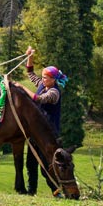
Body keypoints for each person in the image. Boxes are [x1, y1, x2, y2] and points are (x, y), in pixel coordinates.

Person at [22, 45, 66, 195]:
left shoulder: (54, 93)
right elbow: (30, 73)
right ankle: (31, 191)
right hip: (37, 131)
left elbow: (38, 99)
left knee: (45, 165)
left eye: (45, 77)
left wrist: (21, 88)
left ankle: (56, 190)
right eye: (43, 77)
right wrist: (30, 56)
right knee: (30, 163)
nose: (42, 79)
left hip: (48, 134)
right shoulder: (42, 84)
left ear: (53, 80)